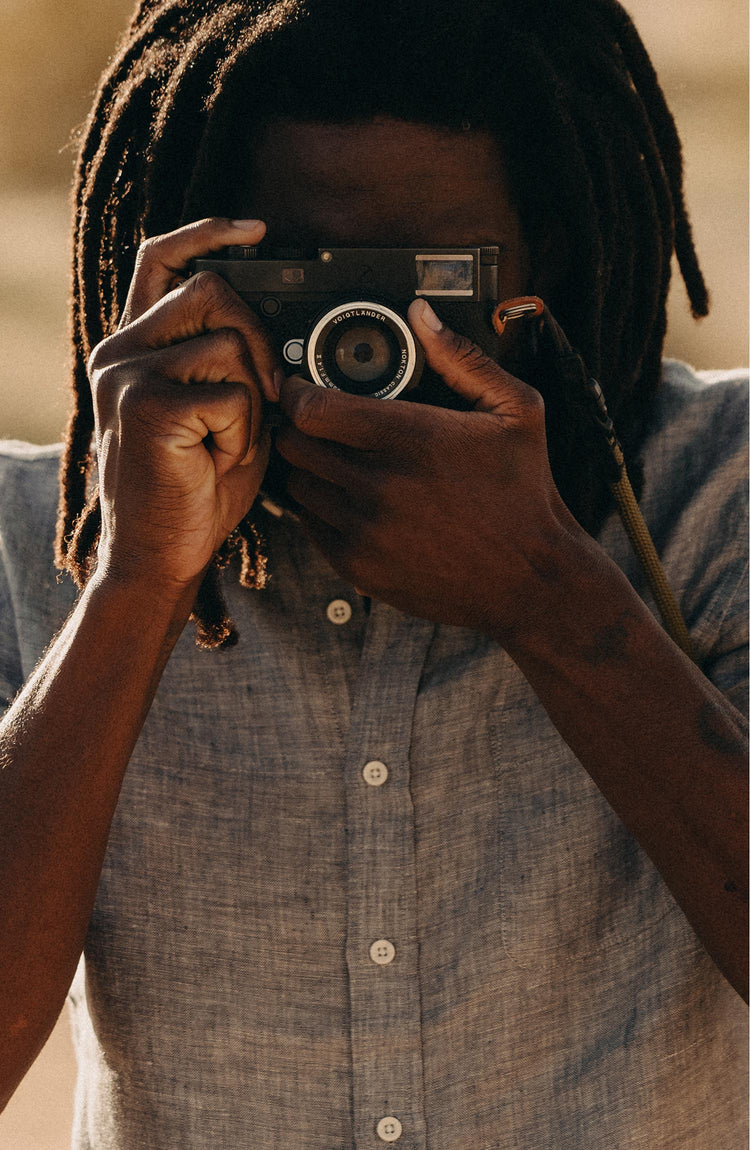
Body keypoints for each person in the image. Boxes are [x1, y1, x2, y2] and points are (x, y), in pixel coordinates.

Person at [0, 0, 747, 1144]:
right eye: (300, 277)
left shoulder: (716, 491)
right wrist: (135, 580)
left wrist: (550, 593)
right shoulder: (40, 530)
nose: (362, 331)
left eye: (424, 277)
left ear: (544, 259)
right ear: (182, 255)